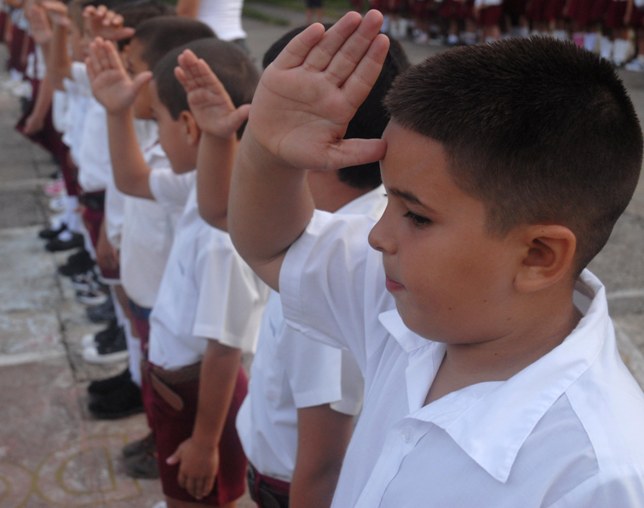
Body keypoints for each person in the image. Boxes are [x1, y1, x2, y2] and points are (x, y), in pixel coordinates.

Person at [228, 10, 644, 507]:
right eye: (388, 202)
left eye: (417, 217)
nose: (379, 235)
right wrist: (268, 152)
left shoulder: (595, 475)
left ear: (538, 255)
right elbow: (274, 246)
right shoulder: (410, 308)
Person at [177, 25, 408, 508]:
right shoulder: (334, 221)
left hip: (293, 486)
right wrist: (223, 141)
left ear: (325, 129)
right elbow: (227, 217)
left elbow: (325, 459)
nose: (258, 121)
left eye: (274, 104)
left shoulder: (356, 258)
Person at [87, 35, 267, 507]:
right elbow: (131, 180)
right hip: (178, 385)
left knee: (202, 492)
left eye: (158, 123)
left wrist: (205, 443)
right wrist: (116, 111)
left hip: (202, 399)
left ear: (189, 126)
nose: (157, 141)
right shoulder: (197, 187)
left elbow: (224, 349)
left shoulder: (222, 239)